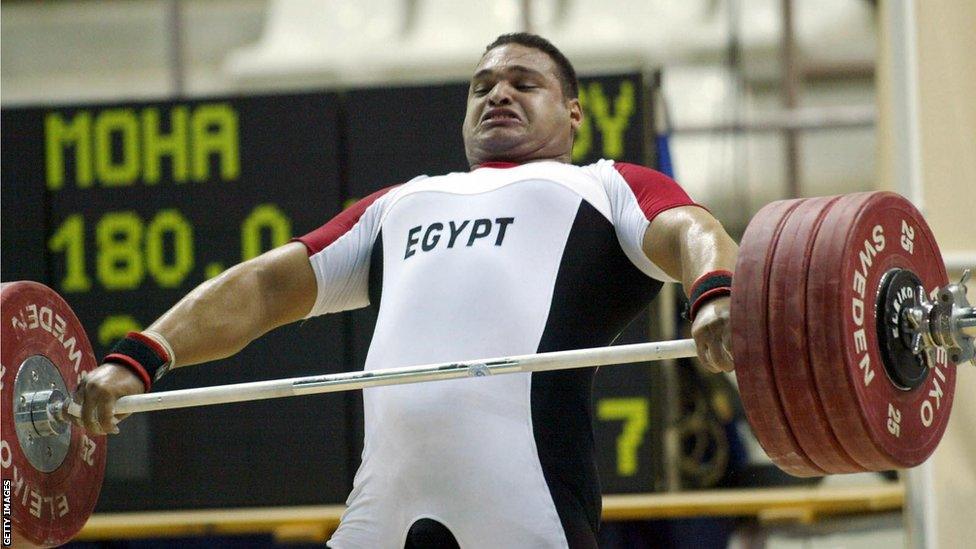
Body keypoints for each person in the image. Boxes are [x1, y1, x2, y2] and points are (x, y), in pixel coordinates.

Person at [75, 33, 738, 548]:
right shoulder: (399, 204)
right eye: (482, 86)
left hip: (525, 501)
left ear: (573, 115)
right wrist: (142, 354)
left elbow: (691, 231)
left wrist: (715, 294)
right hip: (383, 505)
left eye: (522, 82)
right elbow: (263, 286)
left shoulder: (605, 184)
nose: (497, 94)